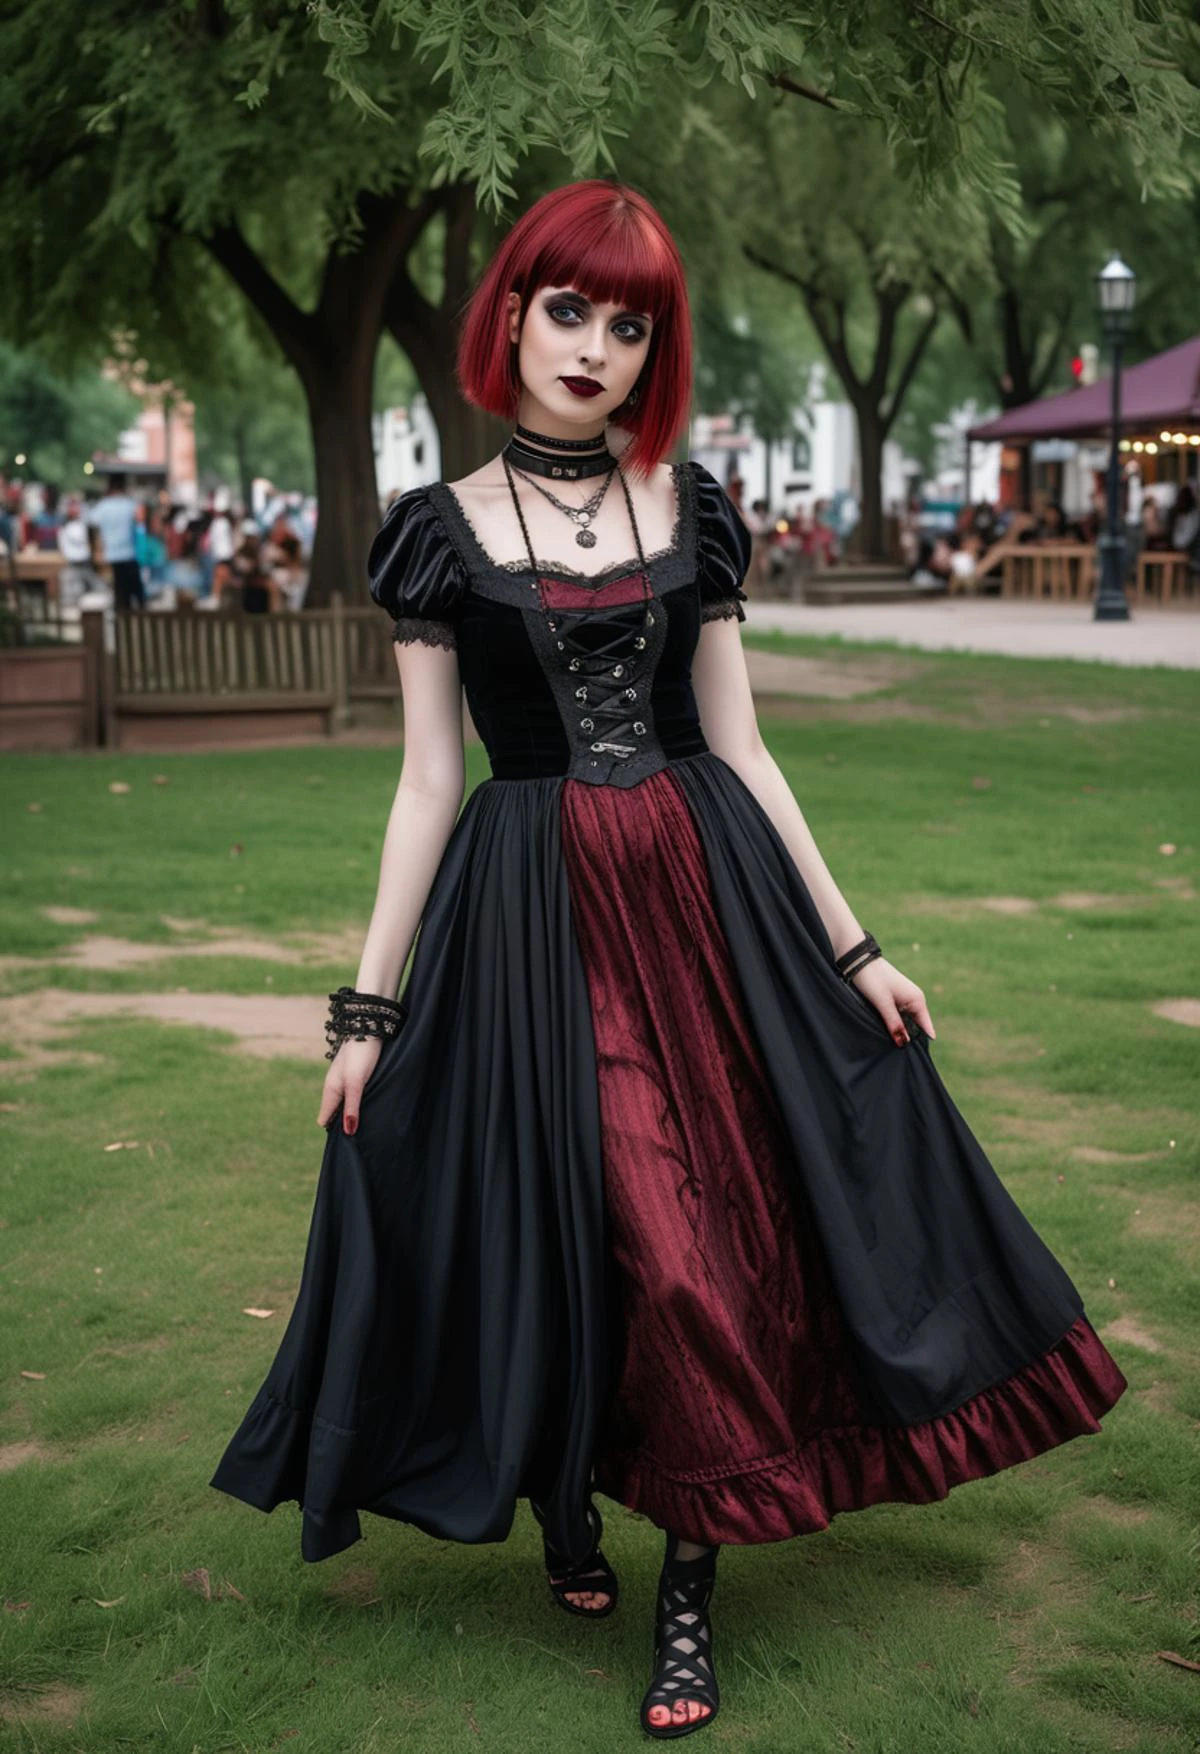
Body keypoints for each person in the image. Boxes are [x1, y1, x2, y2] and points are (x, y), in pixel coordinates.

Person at [209, 179, 1127, 1742]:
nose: (598, 346)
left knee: (701, 1235)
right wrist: (368, 1008)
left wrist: (855, 950)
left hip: (708, 902)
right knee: (572, 1214)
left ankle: (687, 1581)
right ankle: (564, 1495)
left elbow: (748, 749)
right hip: (528, 913)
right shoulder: (437, 537)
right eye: (570, 308)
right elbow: (431, 778)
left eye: (632, 323)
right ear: (509, 314)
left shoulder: (690, 508)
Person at [87, 472, 144, 608]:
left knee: (119, 596)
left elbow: (91, 525)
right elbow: (140, 525)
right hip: (130, 555)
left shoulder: (102, 506)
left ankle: (120, 624)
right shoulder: (130, 505)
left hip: (110, 557)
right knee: (136, 595)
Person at [56, 498, 99, 606]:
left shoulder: (69, 527)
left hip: (78, 560)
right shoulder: (77, 526)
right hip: (77, 560)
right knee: (79, 587)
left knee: (76, 587)